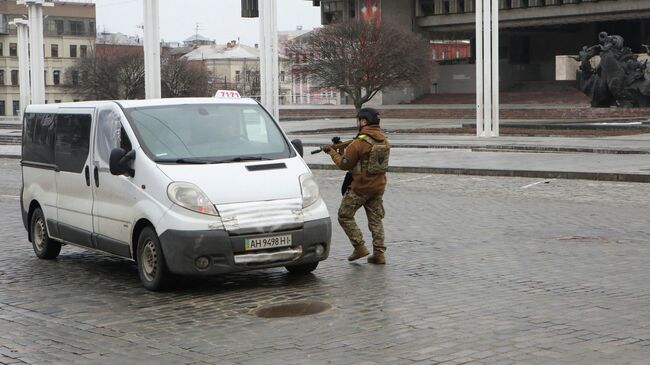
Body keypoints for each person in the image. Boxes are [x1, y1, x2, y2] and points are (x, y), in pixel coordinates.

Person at [322, 107, 390, 264]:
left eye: (358, 120)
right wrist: (341, 147)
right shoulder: (384, 140)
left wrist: (333, 152)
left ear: (364, 121)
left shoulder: (359, 143)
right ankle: (379, 254)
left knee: (344, 215)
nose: (357, 123)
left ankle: (359, 247)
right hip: (378, 186)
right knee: (376, 220)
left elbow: (344, 164)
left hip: (360, 188)